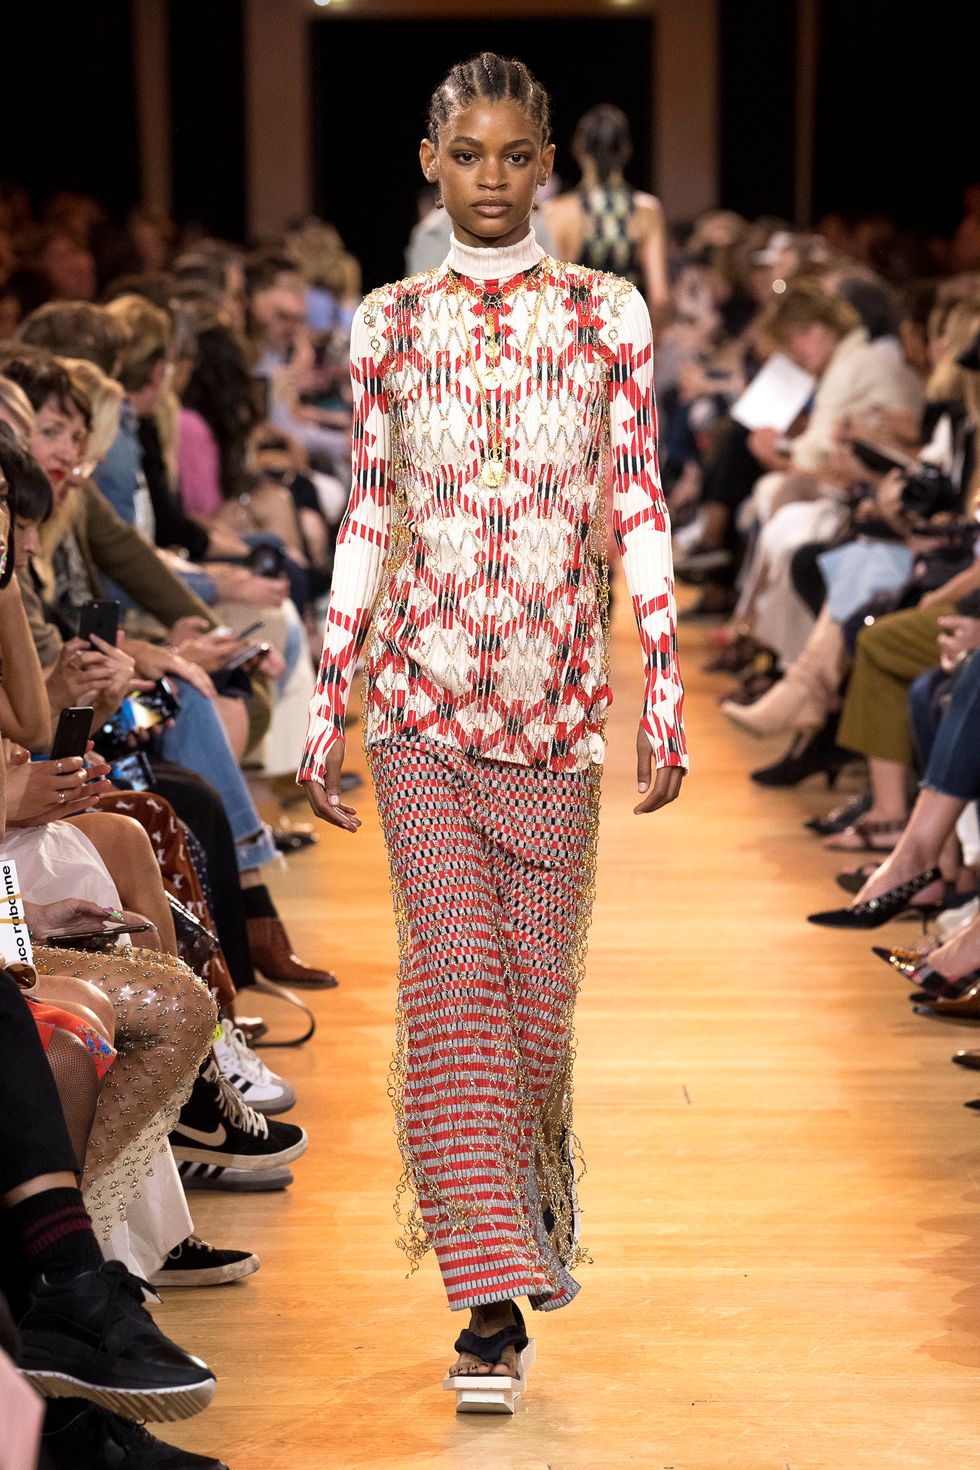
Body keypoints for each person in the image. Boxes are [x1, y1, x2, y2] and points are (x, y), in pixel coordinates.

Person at [299, 52, 687, 1399]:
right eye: (466, 154)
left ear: (547, 168)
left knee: (532, 1016)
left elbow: (636, 495)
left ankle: (518, 1225)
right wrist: (327, 700)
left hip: (560, 709)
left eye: (516, 155)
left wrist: (663, 685)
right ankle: (487, 1305)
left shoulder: (607, 310)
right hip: (419, 702)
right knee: (456, 982)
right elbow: (368, 506)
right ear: (429, 162)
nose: (491, 179)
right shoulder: (389, 321)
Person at [544, 103, 669, 331]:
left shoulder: (557, 212)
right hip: (628, 338)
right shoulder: (646, 210)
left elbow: (549, 296)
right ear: (626, 150)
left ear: (578, 147)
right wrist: (651, 344)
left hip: (576, 340)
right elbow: (659, 298)